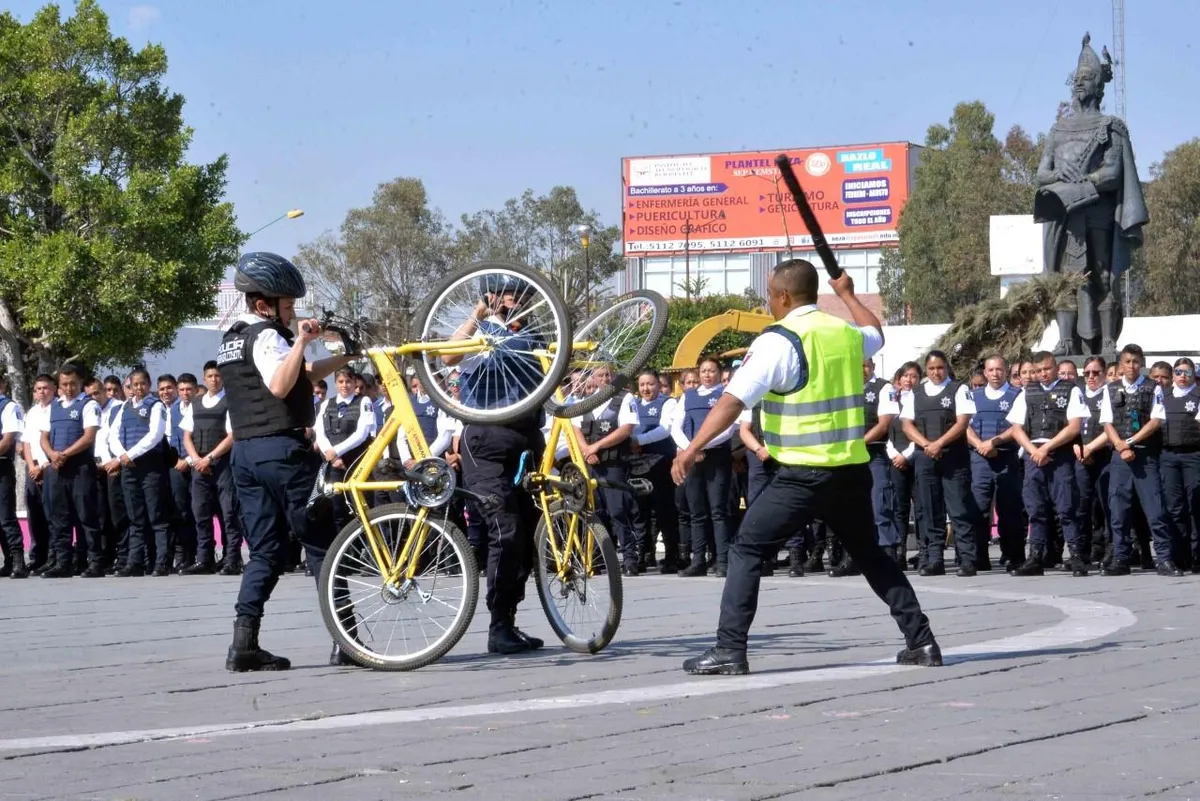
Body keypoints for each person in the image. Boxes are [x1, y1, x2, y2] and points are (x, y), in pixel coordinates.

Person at [672, 259, 941, 675]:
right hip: (850, 470)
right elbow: (876, 333)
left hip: (802, 474)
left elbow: (731, 401)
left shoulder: (778, 341)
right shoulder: (844, 333)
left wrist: (691, 448)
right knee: (871, 554)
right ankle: (922, 642)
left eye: (769, 295)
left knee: (745, 549)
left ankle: (729, 651)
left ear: (782, 296)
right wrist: (848, 295)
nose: (768, 302)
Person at [217, 252, 356, 671]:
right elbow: (281, 385)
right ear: (264, 305)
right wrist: (300, 340)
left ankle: (244, 643)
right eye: (288, 307)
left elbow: (305, 374)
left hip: (247, 455)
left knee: (264, 550)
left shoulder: (232, 341)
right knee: (319, 543)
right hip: (283, 451)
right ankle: (347, 640)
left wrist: (346, 358)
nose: (293, 314)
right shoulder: (269, 336)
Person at [441, 272, 546, 655]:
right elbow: (448, 355)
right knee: (504, 529)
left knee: (528, 535)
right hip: (485, 438)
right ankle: (497, 625)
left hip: (528, 437)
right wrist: (479, 311)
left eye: (521, 294)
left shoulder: (535, 336)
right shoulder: (482, 330)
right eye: (508, 294)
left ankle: (508, 620)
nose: (515, 300)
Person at [1006, 351, 1091, 576]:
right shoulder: (1027, 392)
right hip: (1034, 456)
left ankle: (1076, 557)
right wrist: (1034, 450)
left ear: (1055, 367)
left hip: (1059, 455)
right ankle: (1035, 557)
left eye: (1047, 368)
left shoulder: (1071, 389)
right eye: (1039, 370)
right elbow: (1016, 428)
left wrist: (1046, 448)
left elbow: (1073, 427)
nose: (1043, 373)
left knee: (1066, 508)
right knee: (1036, 509)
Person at [1098, 344, 1180, 576]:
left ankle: (1164, 559)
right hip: (1119, 457)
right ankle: (1121, 558)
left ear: (1141, 363)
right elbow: (1107, 423)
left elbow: (1156, 421)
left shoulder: (1152, 387)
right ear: (1121, 364)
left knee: (1156, 509)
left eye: (1135, 362)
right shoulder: (1110, 389)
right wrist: (1120, 446)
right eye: (1127, 361)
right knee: (1118, 510)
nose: (1131, 366)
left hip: (1145, 455)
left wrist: (1130, 442)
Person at [901, 351, 984, 576]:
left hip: (953, 457)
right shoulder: (915, 393)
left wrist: (939, 443)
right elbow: (907, 425)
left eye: (940, 368)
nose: (936, 372)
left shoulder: (959, 389)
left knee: (959, 508)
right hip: (925, 458)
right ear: (926, 370)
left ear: (946, 368)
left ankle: (967, 559)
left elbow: (963, 422)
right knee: (930, 509)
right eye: (931, 369)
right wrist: (927, 445)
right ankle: (935, 559)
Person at [671, 357, 736, 576]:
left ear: (719, 373)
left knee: (719, 511)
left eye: (711, 370)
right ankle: (698, 560)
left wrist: (702, 446)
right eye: (703, 371)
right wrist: (690, 449)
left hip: (716, 456)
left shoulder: (724, 395)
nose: (706, 375)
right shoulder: (688, 396)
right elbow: (675, 428)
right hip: (692, 459)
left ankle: (723, 560)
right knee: (697, 511)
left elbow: (728, 429)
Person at [574, 365, 640, 575]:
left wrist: (597, 447)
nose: (605, 378)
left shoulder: (625, 399)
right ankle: (597, 558)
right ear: (593, 378)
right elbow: (576, 427)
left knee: (618, 510)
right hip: (590, 463)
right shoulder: (586, 401)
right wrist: (586, 450)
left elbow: (626, 428)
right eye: (601, 375)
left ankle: (630, 558)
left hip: (613, 464)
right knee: (594, 511)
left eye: (609, 375)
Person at [180, 360, 245, 575]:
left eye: (218, 376)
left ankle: (232, 559)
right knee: (200, 514)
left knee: (229, 514)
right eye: (210, 376)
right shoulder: (196, 403)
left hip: (222, 465)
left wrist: (209, 458)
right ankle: (204, 559)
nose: (214, 380)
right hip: (199, 466)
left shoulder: (230, 402)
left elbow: (232, 436)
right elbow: (187, 435)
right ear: (204, 378)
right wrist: (196, 459)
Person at [40, 363, 105, 578]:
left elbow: (88, 436)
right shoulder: (52, 406)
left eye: (73, 384)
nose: (69, 388)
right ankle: (63, 563)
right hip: (57, 470)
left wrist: (64, 454)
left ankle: (94, 562)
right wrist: (52, 455)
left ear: (80, 383)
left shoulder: (88, 405)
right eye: (64, 384)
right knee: (60, 518)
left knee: (86, 516)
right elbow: (43, 437)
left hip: (80, 469)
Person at [106, 367, 172, 576]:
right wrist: (122, 455)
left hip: (150, 467)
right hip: (129, 469)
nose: (139, 388)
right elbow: (112, 436)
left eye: (143, 383)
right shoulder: (125, 407)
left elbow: (155, 435)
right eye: (135, 384)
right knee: (135, 517)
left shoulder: (156, 405)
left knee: (156, 516)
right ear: (130, 387)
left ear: (148, 384)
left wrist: (130, 455)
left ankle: (161, 561)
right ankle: (135, 562)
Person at [965, 355, 1023, 570]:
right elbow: (965, 425)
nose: (995, 374)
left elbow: (1017, 426)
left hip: (1006, 457)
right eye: (991, 370)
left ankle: (1012, 555)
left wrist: (993, 443)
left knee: (1010, 508)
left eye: (999, 369)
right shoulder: (973, 396)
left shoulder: (1018, 394)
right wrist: (980, 444)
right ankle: (979, 556)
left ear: (1006, 371)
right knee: (978, 508)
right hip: (979, 459)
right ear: (985, 372)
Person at [314, 367, 376, 533]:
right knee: (337, 508)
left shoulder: (364, 402)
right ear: (335, 383)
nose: (345, 385)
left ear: (354, 382)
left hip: (356, 462)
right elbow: (319, 432)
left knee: (360, 508)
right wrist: (332, 456)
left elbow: (362, 433)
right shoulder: (327, 404)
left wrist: (337, 451)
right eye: (341, 382)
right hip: (333, 465)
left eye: (348, 381)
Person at [1154, 357, 1200, 573]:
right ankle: (1179, 555)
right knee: (1174, 506)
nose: (1183, 377)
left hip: (1194, 455)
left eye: (1187, 372)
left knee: (1195, 504)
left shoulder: (1198, 395)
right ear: (1173, 374)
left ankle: (1197, 554)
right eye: (1179, 372)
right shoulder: (1162, 396)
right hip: (1168, 456)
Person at [0, 373, 26, 578]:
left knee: (6, 516)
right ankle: (7, 561)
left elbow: (8, 439)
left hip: (1, 466)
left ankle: (18, 561)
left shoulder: (8, 406)